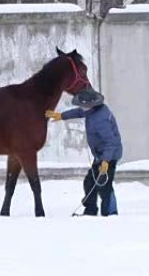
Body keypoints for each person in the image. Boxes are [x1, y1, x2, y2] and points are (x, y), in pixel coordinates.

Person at [45, 88, 123, 216]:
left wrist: (106, 161)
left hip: (109, 154)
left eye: (83, 105)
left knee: (104, 184)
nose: (81, 107)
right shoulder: (91, 110)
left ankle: (110, 213)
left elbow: (111, 142)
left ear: (90, 104)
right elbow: (78, 112)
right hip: (100, 154)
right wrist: (61, 116)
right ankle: (90, 210)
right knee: (90, 182)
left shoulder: (101, 119)